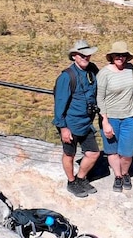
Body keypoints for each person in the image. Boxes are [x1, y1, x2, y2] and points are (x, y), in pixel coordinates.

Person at [53, 39, 101, 198]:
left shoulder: (92, 71)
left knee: (93, 153)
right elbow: (60, 104)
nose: (85, 57)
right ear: (74, 56)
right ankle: (71, 181)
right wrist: (63, 128)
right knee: (69, 154)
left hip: (86, 123)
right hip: (71, 124)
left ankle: (81, 178)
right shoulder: (67, 77)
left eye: (88, 55)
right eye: (82, 55)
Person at [97, 41, 133, 193]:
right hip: (110, 117)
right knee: (112, 151)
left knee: (127, 152)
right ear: (112, 56)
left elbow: (131, 84)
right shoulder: (104, 73)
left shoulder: (129, 68)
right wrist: (105, 121)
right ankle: (118, 176)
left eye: (123, 55)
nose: (120, 58)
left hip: (128, 116)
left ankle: (125, 173)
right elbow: (99, 98)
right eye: (117, 55)